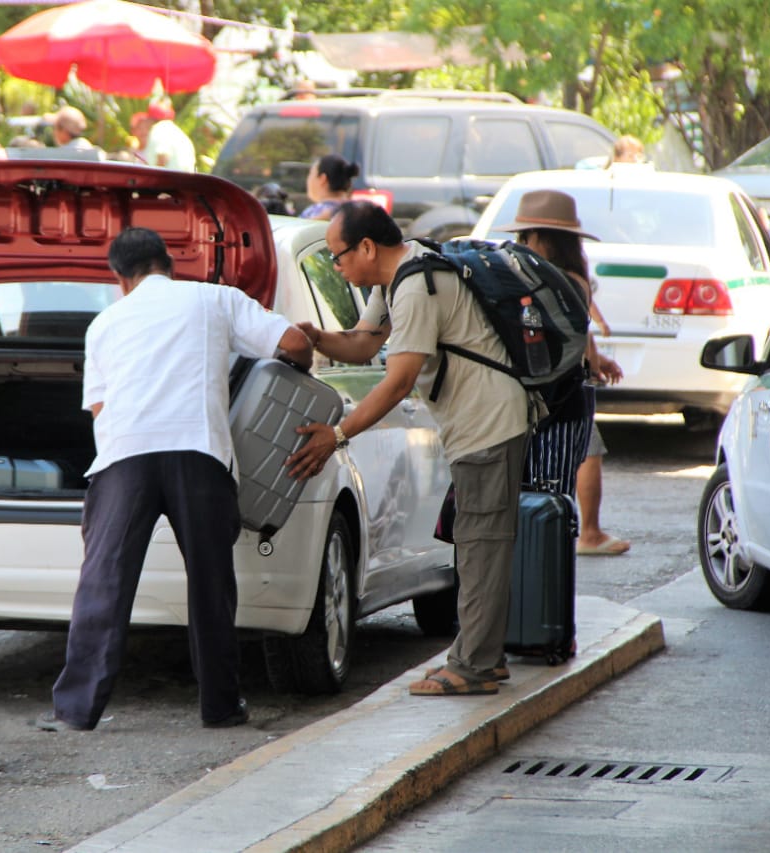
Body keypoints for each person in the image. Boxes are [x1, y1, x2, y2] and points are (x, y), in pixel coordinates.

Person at [37, 227, 314, 732]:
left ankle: (77, 710)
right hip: (198, 453)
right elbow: (293, 343)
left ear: (120, 279)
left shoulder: (104, 323)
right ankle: (221, 707)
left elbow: (99, 408)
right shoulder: (214, 299)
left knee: (104, 584)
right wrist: (304, 364)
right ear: (169, 263)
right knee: (211, 586)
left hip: (124, 457)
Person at [286, 201, 534, 697]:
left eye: (338, 257)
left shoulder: (417, 287)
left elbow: (398, 381)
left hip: (488, 423)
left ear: (367, 248)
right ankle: (485, 657)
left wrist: (337, 434)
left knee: (481, 545)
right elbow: (362, 344)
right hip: (475, 424)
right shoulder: (397, 276)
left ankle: (473, 666)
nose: (337, 267)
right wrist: (317, 338)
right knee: (475, 540)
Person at [493, 190, 628, 554]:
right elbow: (579, 334)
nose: (520, 244)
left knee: (544, 498)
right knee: (543, 500)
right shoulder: (570, 280)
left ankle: (557, 557)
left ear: (546, 238)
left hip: (556, 404)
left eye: (526, 236)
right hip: (562, 402)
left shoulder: (553, 281)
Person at [299, 154, 359, 221]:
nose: (308, 180)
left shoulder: (311, 213)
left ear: (322, 179)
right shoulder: (359, 213)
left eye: (311, 174)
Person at [141, 100, 196, 172]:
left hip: (171, 180)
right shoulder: (177, 132)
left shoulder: (159, 128)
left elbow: (163, 157)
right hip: (185, 179)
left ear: (150, 119)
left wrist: (154, 179)